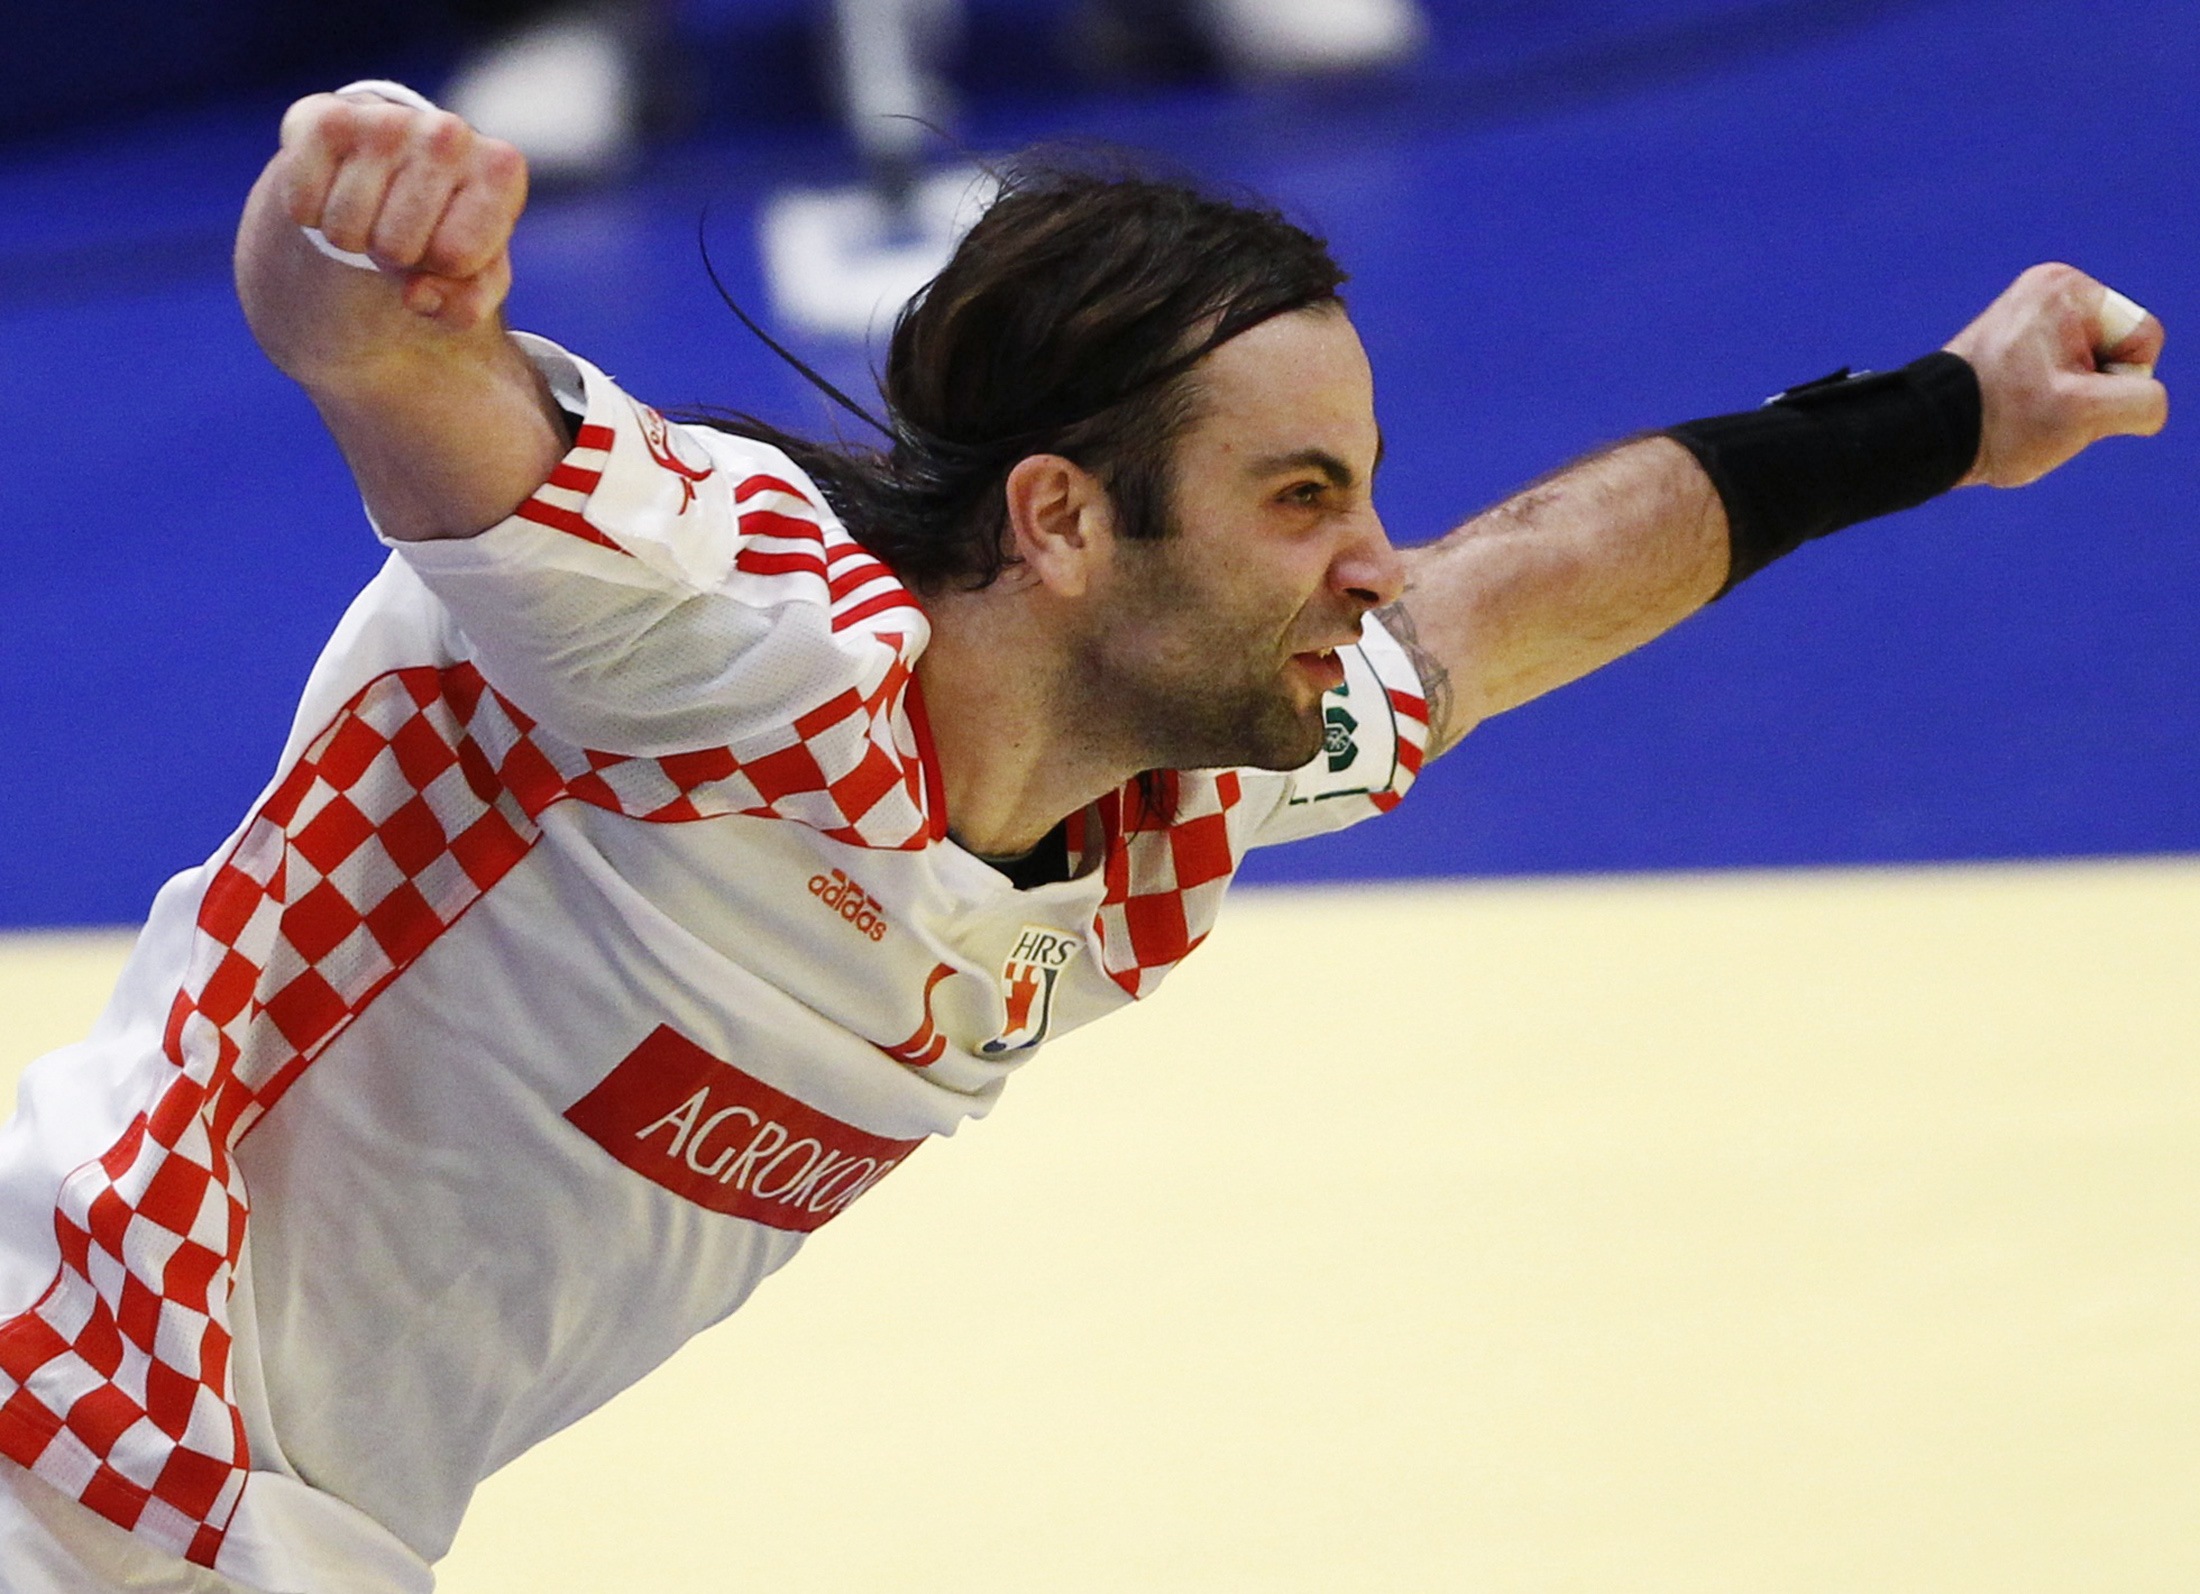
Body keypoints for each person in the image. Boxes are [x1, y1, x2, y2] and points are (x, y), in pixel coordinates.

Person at [0, 84, 2166, 1593]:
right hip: (71, 1406)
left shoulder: (1171, 799)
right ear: (1056, 519)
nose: (1366, 561)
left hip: (289, 1521)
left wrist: (1952, 414)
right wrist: (342, 195)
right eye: (1299, 495)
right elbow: (378, 356)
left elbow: (1514, 594)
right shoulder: (722, 638)